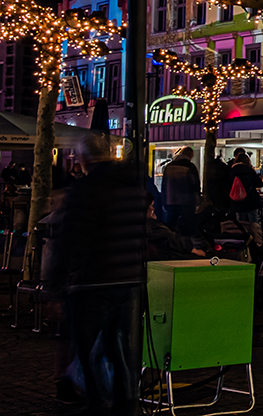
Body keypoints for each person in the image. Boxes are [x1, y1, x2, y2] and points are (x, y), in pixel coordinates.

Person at [53, 132, 148, 415]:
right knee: (124, 349)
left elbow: (70, 240)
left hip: (93, 280)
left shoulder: (85, 191)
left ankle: (98, 401)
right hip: (130, 278)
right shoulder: (135, 187)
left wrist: (57, 286)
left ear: (84, 158)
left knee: (87, 345)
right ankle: (126, 404)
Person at [160, 147, 200, 233]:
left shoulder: (169, 166)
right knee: (185, 227)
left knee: (171, 225)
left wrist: (164, 200)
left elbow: (164, 184)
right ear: (191, 155)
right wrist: (197, 201)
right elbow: (195, 185)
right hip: (186, 201)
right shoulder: (190, 167)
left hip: (170, 200)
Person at [228, 148, 263, 223]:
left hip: (237, 200)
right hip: (251, 199)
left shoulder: (232, 170)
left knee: (240, 221)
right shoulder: (249, 170)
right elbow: (259, 184)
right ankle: (254, 234)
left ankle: (242, 234)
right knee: (253, 220)